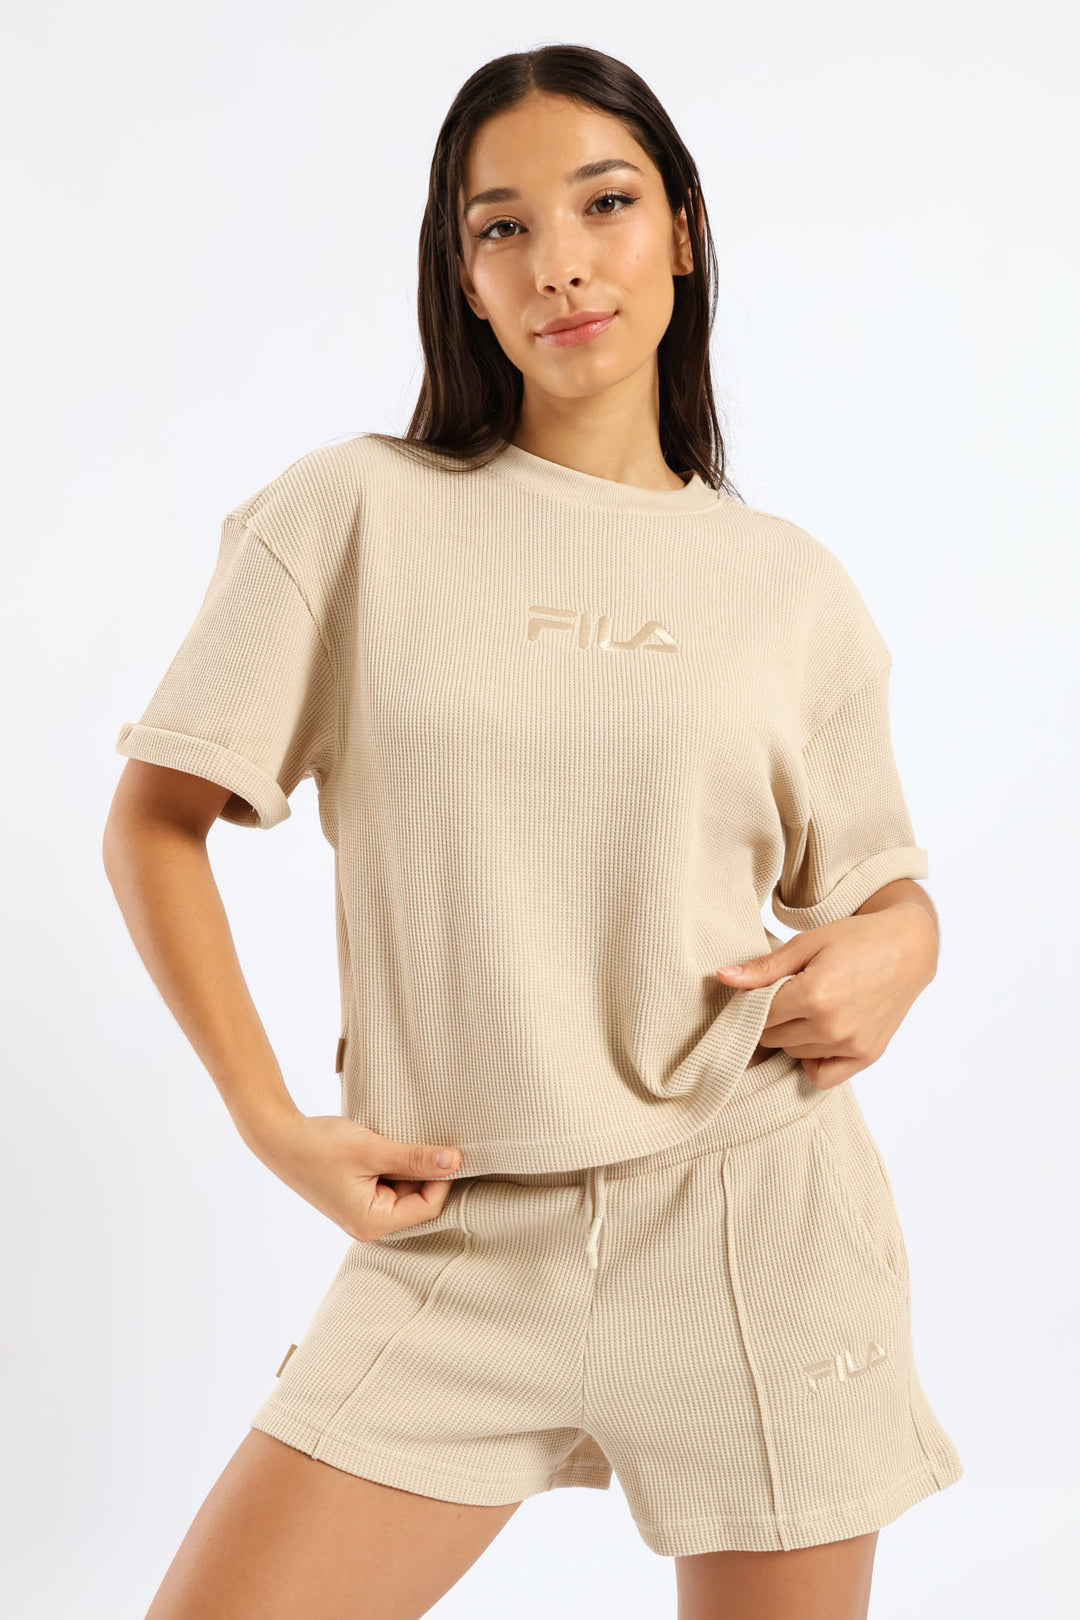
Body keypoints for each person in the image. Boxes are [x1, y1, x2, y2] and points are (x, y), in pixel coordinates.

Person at [103, 43, 962, 1620]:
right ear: (465, 279)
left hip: (756, 1226)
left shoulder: (788, 587)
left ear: (682, 231)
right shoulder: (355, 514)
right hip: (460, 1232)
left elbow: (881, 891)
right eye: (503, 226)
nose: (559, 261)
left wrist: (905, 948)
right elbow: (155, 821)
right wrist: (268, 1119)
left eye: (605, 203)